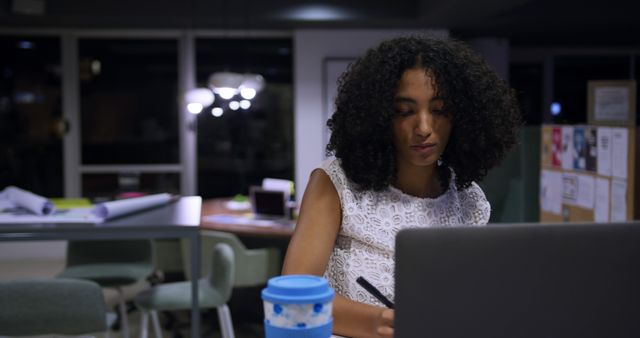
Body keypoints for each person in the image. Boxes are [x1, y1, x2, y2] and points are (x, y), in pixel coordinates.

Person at [282, 35, 521, 338]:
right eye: (404, 111)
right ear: (379, 117)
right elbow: (294, 301)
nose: (423, 127)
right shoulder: (336, 184)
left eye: (439, 110)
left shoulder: (469, 201)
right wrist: (383, 322)